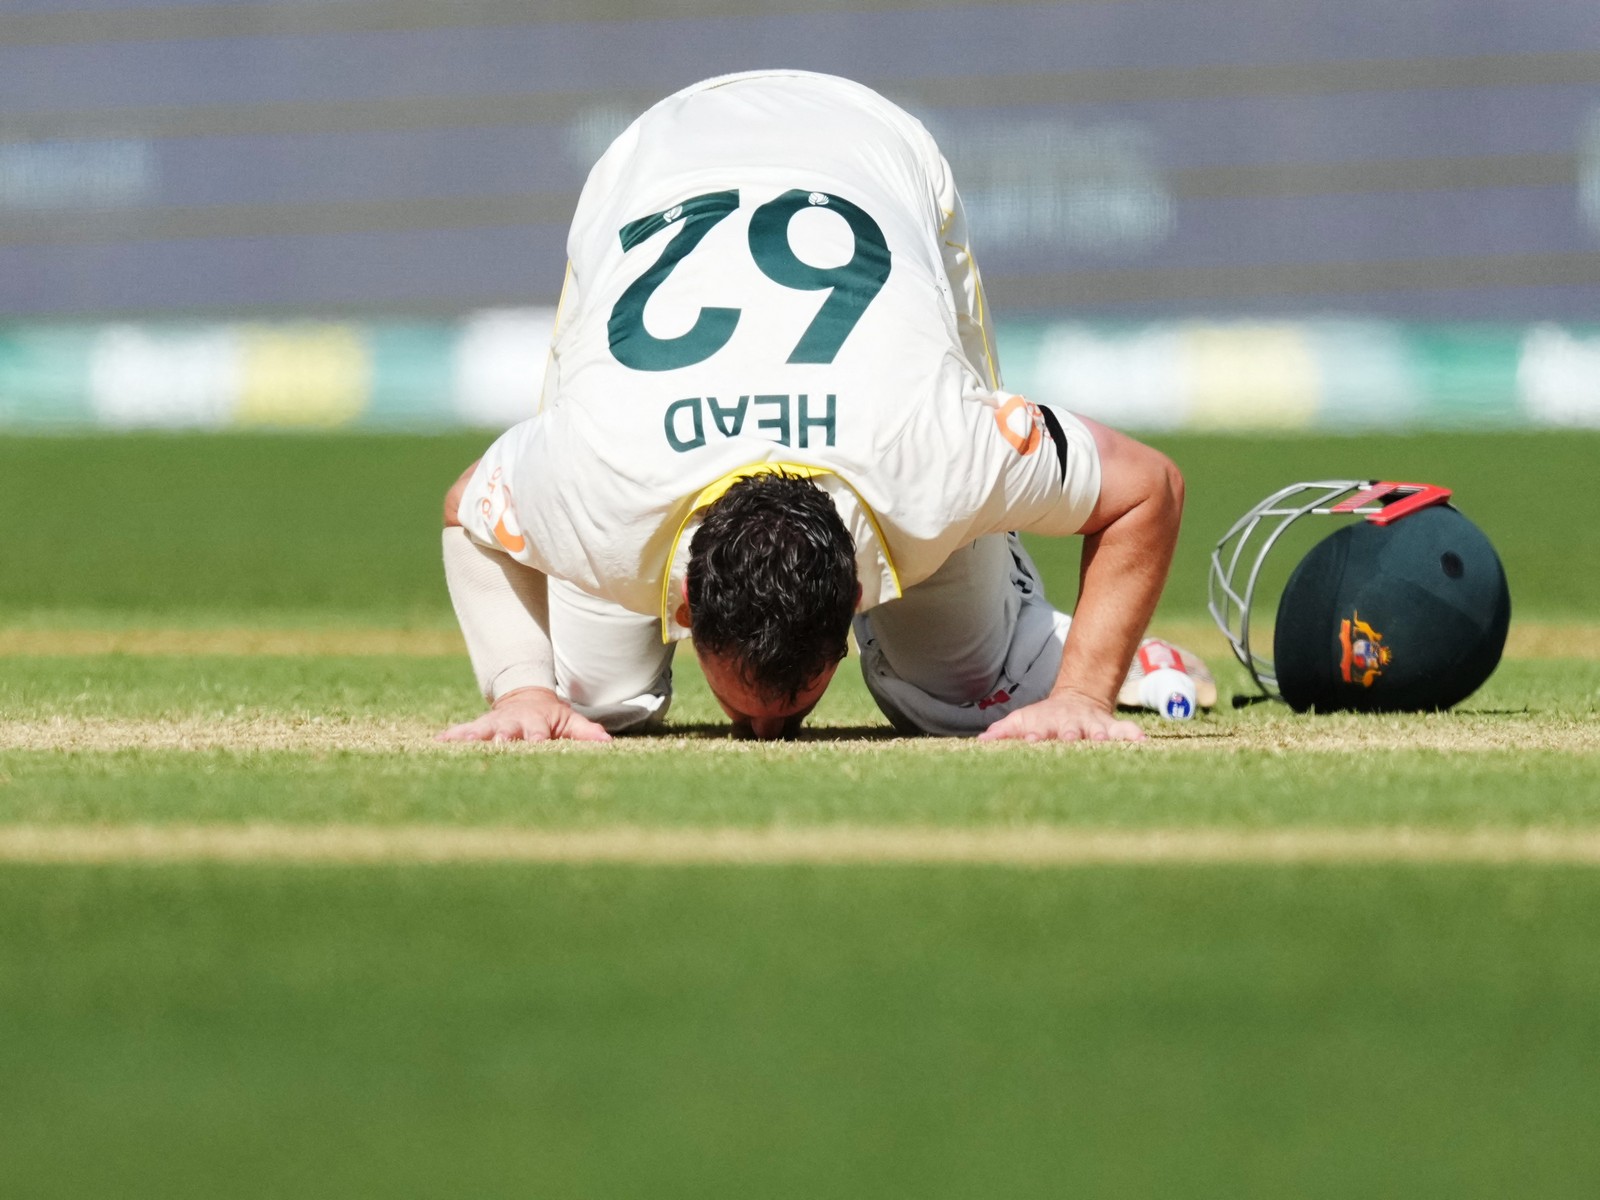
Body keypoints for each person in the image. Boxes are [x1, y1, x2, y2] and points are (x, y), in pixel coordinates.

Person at [438, 69, 1185, 745]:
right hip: (649, 160)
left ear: (856, 601)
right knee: (593, 699)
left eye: (787, 709)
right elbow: (466, 511)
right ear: (687, 603)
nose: (766, 735)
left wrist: (1085, 696)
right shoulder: (598, 482)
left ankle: (1083, 645)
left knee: (958, 692)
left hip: (879, 151)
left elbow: (1146, 489)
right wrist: (523, 691)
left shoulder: (938, 456)